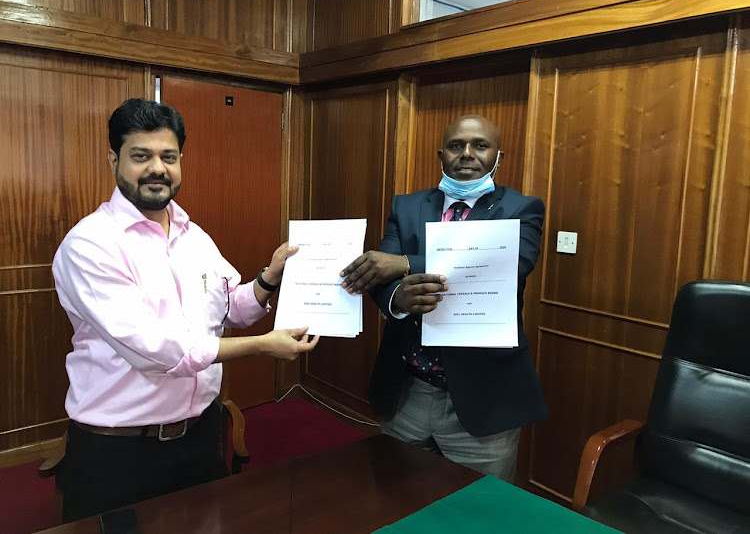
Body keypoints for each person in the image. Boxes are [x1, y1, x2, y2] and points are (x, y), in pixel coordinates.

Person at [52, 98, 318, 521]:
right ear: (113, 159)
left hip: (200, 438)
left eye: (168, 156)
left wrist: (270, 276)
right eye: (141, 156)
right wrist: (261, 347)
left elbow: (234, 308)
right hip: (119, 452)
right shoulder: (90, 245)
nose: (157, 168)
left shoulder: (195, 237)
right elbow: (157, 351)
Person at [340, 115, 546, 481]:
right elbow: (379, 277)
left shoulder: (521, 209)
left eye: (480, 145)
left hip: (484, 398)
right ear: (441, 155)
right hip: (408, 392)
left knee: (478, 514)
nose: (467, 154)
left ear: (499, 156)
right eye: (456, 146)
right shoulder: (406, 207)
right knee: (398, 499)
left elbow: (507, 266)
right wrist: (397, 300)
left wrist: (404, 263)